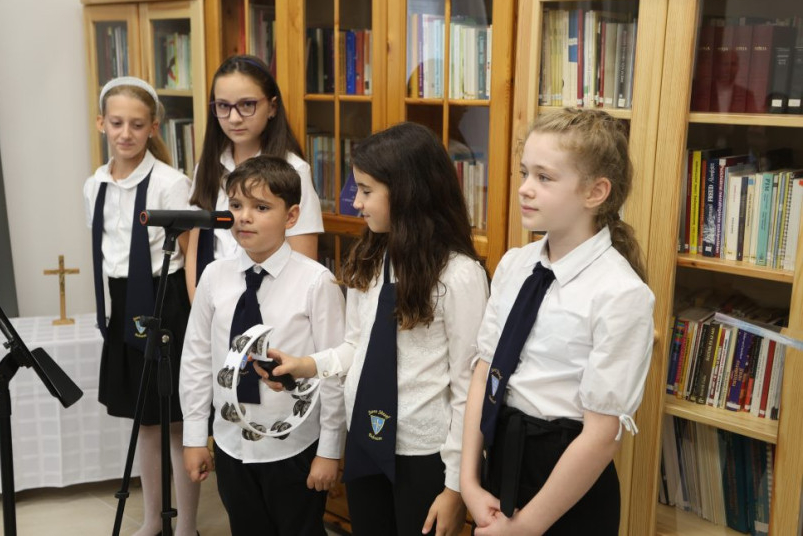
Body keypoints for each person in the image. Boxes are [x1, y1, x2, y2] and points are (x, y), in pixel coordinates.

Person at [259, 122, 490, 536]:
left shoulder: (460, 275)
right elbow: (357, 346)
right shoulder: (370, 259)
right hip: (365, 438)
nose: (355, 203)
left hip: (425, 455)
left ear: (407, 192)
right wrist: (305, 365)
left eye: (366, 190)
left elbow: (468, 388)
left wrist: (455, 487)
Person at [459, 108, 655, 535]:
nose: (525, 188)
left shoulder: (621, 293)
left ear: (595, 192)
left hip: (567, 484)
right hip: (500, 460)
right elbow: (484, 373)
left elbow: (602, 435)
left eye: (544, 178)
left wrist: (525, 527)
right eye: (524, 173)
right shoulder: (515, 265)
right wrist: (469, 482)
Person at [179, 156, 346, 536]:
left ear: (292, 216)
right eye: (236, 205)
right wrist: (194, 437)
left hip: (295, 444)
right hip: (230, 441)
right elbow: (196, 359)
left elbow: (333, 370)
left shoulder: (316, 282)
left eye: (261, 207)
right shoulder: (214, 276)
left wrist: (330, 450)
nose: (244, 217)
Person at [83, 76, 199, 536]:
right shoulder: (94, 185)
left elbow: (190, 255)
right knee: (144, 422)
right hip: (121, 302)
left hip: (165, 301)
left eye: (136, 124)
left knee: (175, 422)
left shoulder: (171, 183)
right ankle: (152, 519)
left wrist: (198, 320)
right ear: (101, 124)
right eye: (116, 123)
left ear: (153, 128)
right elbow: (106, 252)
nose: (125, 133)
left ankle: (186, 525)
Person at [185, 55, 324, 299]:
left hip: (269, 304)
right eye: (223, 106)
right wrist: (200, 307)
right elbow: (195, 250)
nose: (234, 118)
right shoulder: (207, 167)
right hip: (214, 303)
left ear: (272, 107)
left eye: (247, 104)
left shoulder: (294, 170)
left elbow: (302, 266)